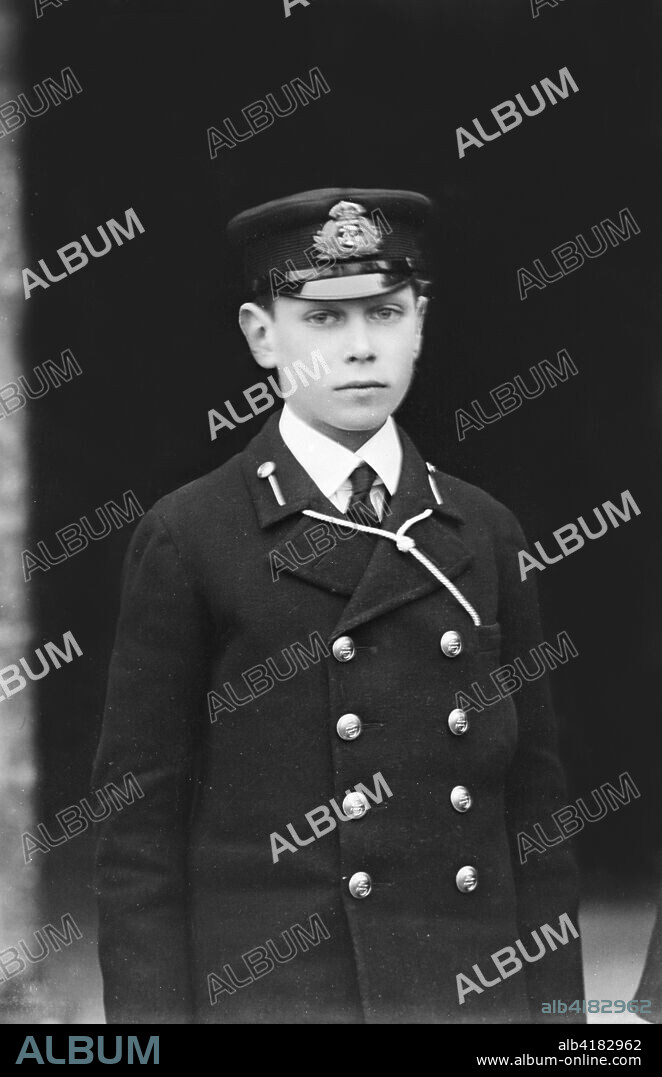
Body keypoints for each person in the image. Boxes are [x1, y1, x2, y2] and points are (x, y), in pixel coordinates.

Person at [92, 187, 584, 1024]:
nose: (361, 348)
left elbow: (536, 812)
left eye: (386, 313)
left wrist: (560, 1030)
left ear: (420, 324)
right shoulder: (191, 535)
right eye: (324, 320)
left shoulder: (484, 528)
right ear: (261, 335)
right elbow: (137, 837)